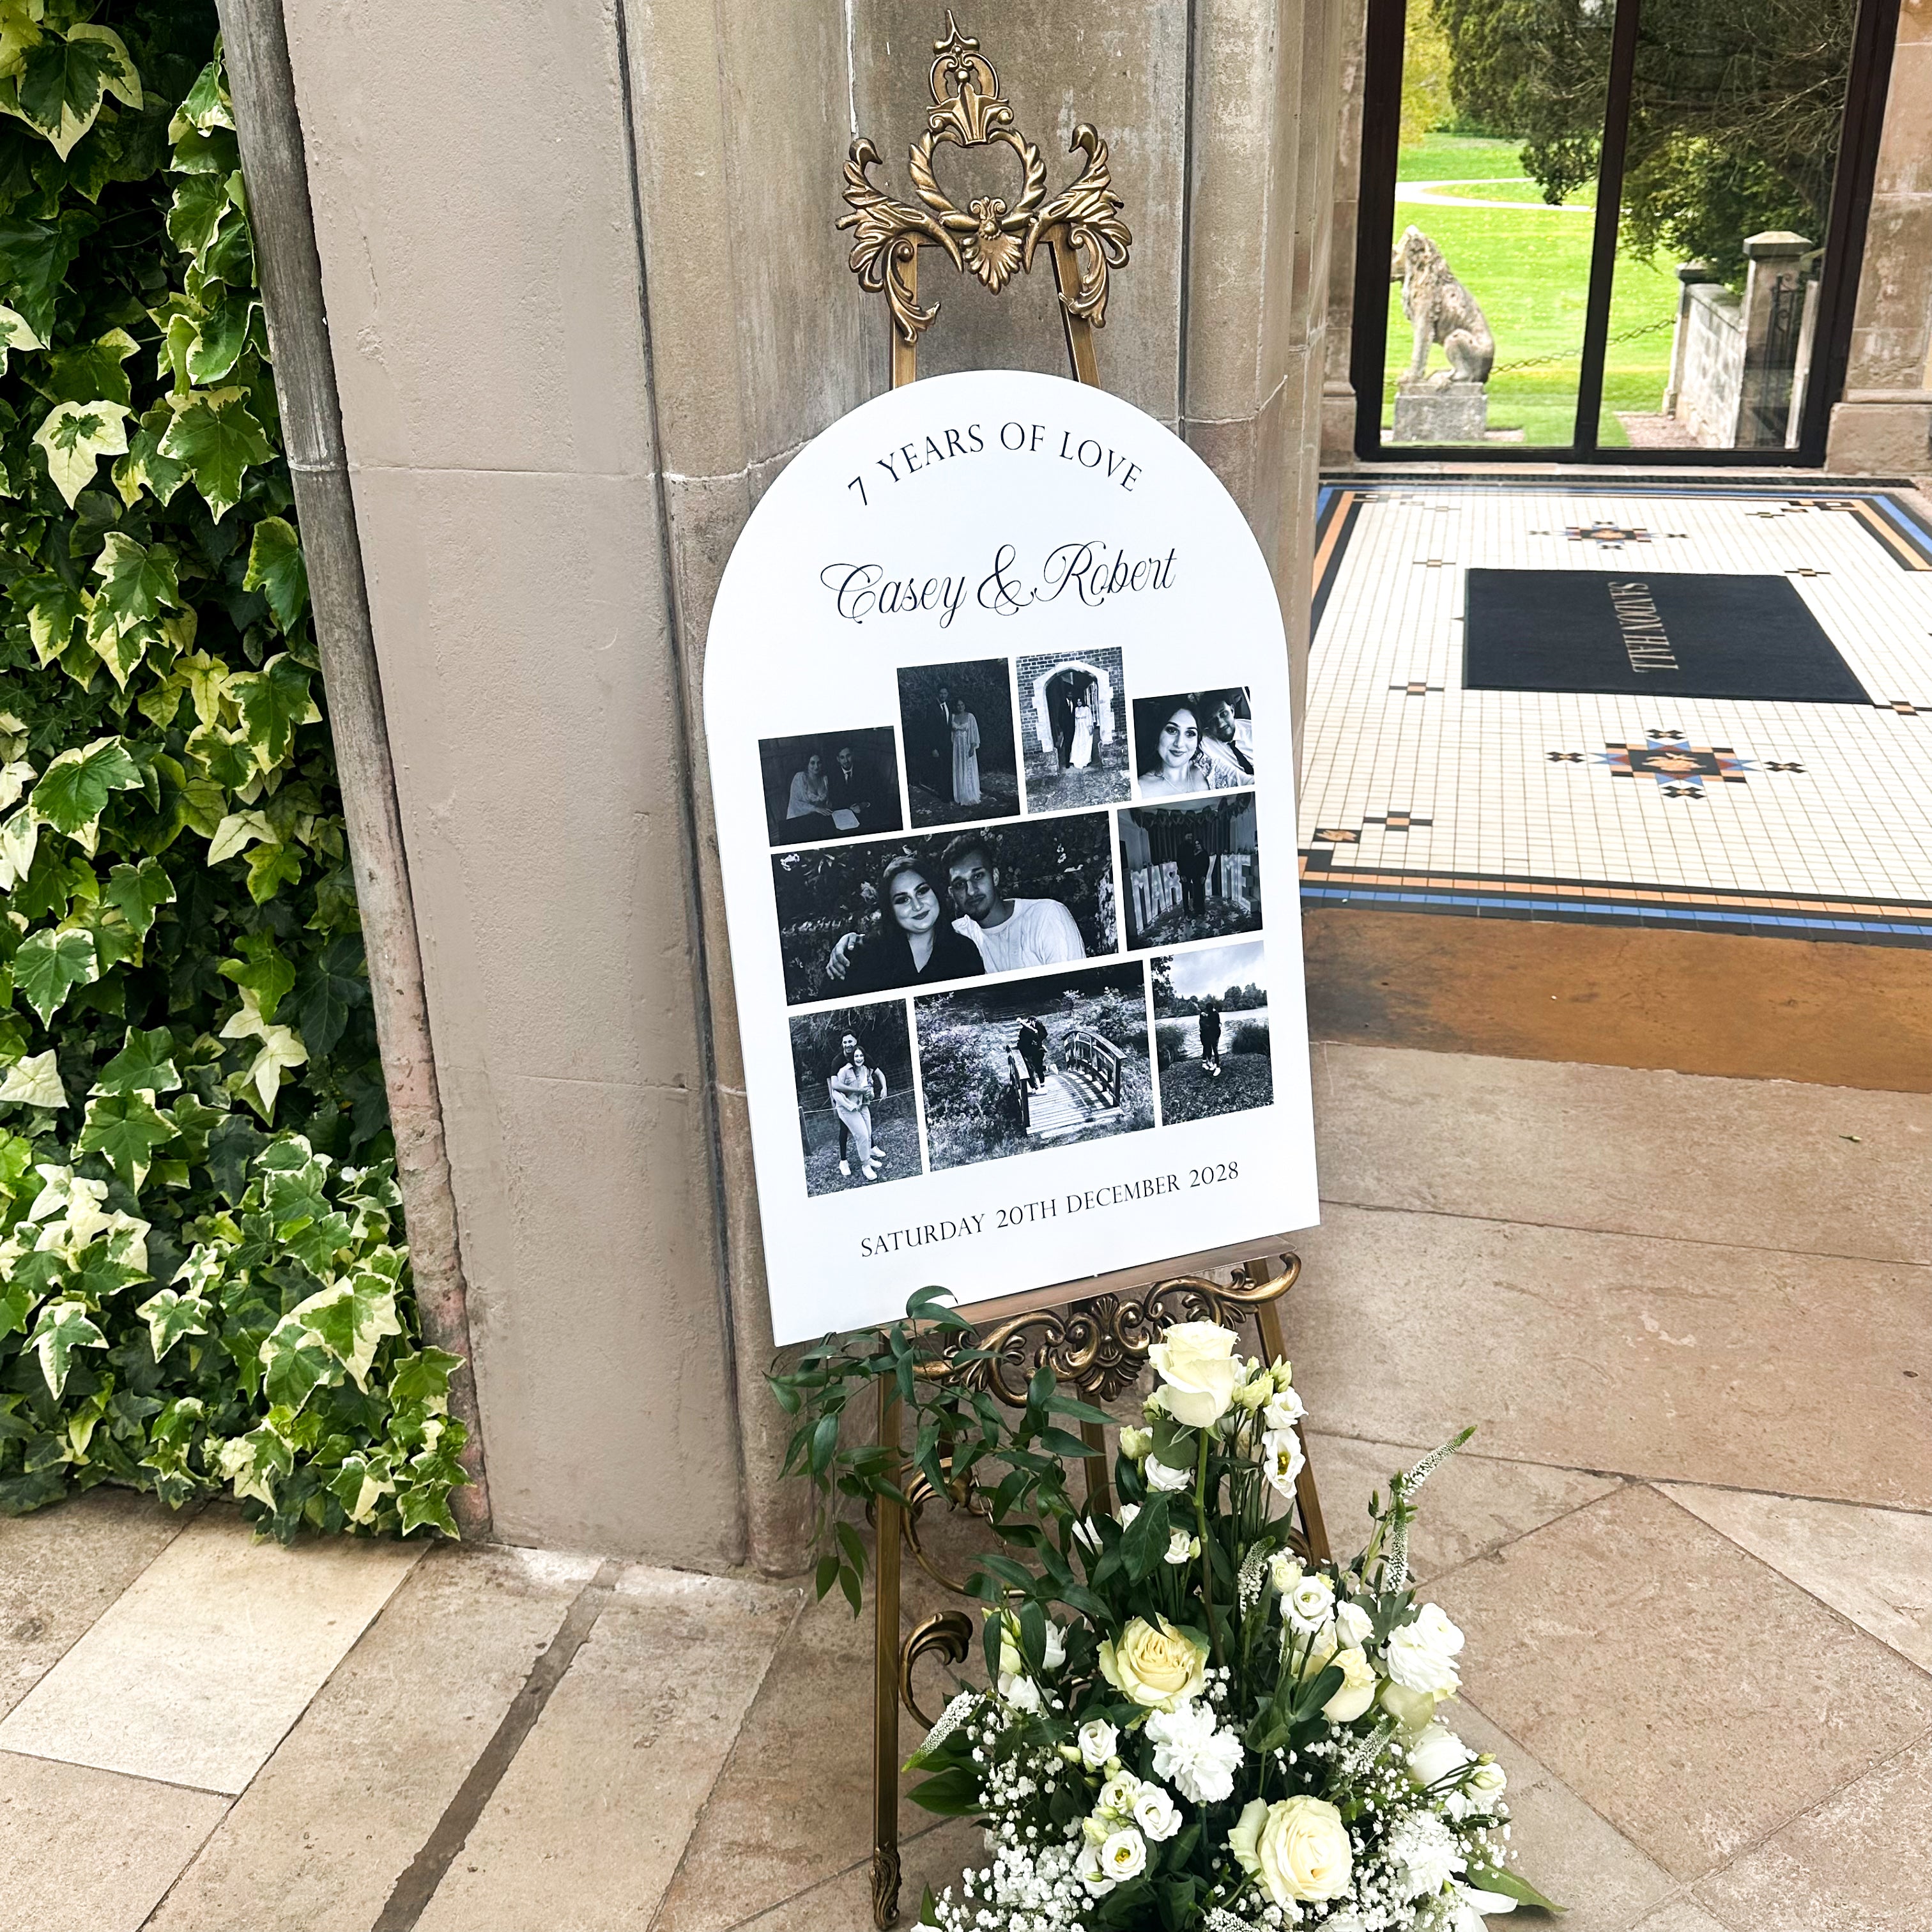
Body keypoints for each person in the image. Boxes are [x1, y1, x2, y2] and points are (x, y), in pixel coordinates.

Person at [825, 832, 1087, 985]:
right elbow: (905, 931)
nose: (971, 892)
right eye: (960, 884)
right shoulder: (958, 936)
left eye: (978, 877)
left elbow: (1076, 990)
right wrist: (849, 943)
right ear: (950, 894)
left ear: (995, 877)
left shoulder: (1046, 917)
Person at [836, 852, 985, 995]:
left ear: (936, 893)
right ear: (891, 910)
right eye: (903, 900)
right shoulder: (861, 954)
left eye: (922, 891)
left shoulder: (965, 952)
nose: (917, 906)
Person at [1138, 699, 1245, 798]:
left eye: (1190, 733)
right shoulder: (1138, 789)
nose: (1180, 744)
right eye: (1172, 730)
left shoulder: (1212, 768)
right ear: (1158, 733)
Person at [829, 1044, 887, 1181]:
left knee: (868, 1134)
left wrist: (870, 1094)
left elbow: (869, 1089)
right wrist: (850, 1105)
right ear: (852, 1058)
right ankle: (865, 1166)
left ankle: (868, 1158)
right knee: (861, 1135)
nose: (859, 1058)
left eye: (861, 1056)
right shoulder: (844, 1071)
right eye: (856, 1056)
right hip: (847, 1108)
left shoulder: (866, 1071)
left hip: (862, 1106)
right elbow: (835, 1092)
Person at [1203, 693, 1254, 781]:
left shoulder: (1254, 731)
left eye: (1223, 714)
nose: (1220, 724)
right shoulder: (1205, 744)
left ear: (1232, 711)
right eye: (1212, 720)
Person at [829, 1032, 860, 1174]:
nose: (848, 1045)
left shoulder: (859, 1055)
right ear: (842, 1044)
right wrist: (855, 1089)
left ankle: (870, 1149)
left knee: (864, 1122)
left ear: (855, 1042)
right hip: (843, 1100)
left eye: (850, 1041)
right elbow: (835, 1085)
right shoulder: (837, 1060)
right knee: (844, 1129)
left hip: (858, 1097)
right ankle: (843, 1161)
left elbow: (871, 1070)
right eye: (845, 1042)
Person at [785, 751, 832, 827]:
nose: (816, 767)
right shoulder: (800, 778)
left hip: (817, 818)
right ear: (807, 764)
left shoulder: (825, 779)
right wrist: (815, 809)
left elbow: (828, 802)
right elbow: (796, 803)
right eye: (812, 763)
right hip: (799, 818)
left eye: (819, 763)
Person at [826, 744, 870, 824]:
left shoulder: (864, 770)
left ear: (853, 755)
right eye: (842, 757)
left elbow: (872, 793)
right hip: (842, 815)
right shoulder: (832, 774)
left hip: (862, 813)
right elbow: (834, 797)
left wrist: (863, 805)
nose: (846, 761)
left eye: (848, 756)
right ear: (838, 759)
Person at [949, 698, 981, 807]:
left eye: (962, 704)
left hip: (967, 745)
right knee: (959, 768)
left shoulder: (970, 717)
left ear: (965, 705)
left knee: (968, 768)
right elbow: (952, 734)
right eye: (958, 705)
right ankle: (960, 793)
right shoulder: (953, 717)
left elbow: (974, 732)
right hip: (957, 748)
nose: (960, 707)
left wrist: (972, 747)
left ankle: (970, 792)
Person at [1177, 833, 1210, 918]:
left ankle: (1200, 909)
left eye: (1191, 837)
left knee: (1198, 892)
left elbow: (1206, 865)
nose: (1190, 838)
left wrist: (1204, 875)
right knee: (1186, 893)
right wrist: (1182, 874)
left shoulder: (1199, 851)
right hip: (1188, 875)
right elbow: (1179, 861)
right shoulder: (1182, 847)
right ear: (1185, 836)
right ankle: (1187, 910)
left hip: (1197, 875)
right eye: (1189, 836)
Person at [1017, 1015, 1048, 1090]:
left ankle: (1038, 1086)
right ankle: (1037, 1086)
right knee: (1033, 1069)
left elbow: (1042, 1035)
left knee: (1034, 1068)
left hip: (1035, 1051)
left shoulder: (1037, 1026)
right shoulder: (1027, 1030)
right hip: (1032, 1051)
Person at [1070, 679, 1095, 770]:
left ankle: (1086, 760)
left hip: (1085, 727)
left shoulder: (1086, 709)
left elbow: (1090, 719)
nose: (1079, 703)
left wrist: (1090, 728)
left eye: (1080, 701)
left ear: (1082, 701)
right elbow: (1076, 721)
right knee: (1077, 743)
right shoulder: (1076, 709)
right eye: (1077, 702)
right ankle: (1077, 759)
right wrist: (1076, 728)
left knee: (1085, 742)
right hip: (1079, 729)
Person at [1198, 999, 1222, 1078]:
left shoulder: (1214, 1014)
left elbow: (1214, 1024)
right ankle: (1215, 1064)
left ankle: (1218, 1067)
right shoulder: (1211, 1014)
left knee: (1215, 1050)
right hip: (1212, 1035)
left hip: (1215, 1034)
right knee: (1211, 1048)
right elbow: (1208, 1023)